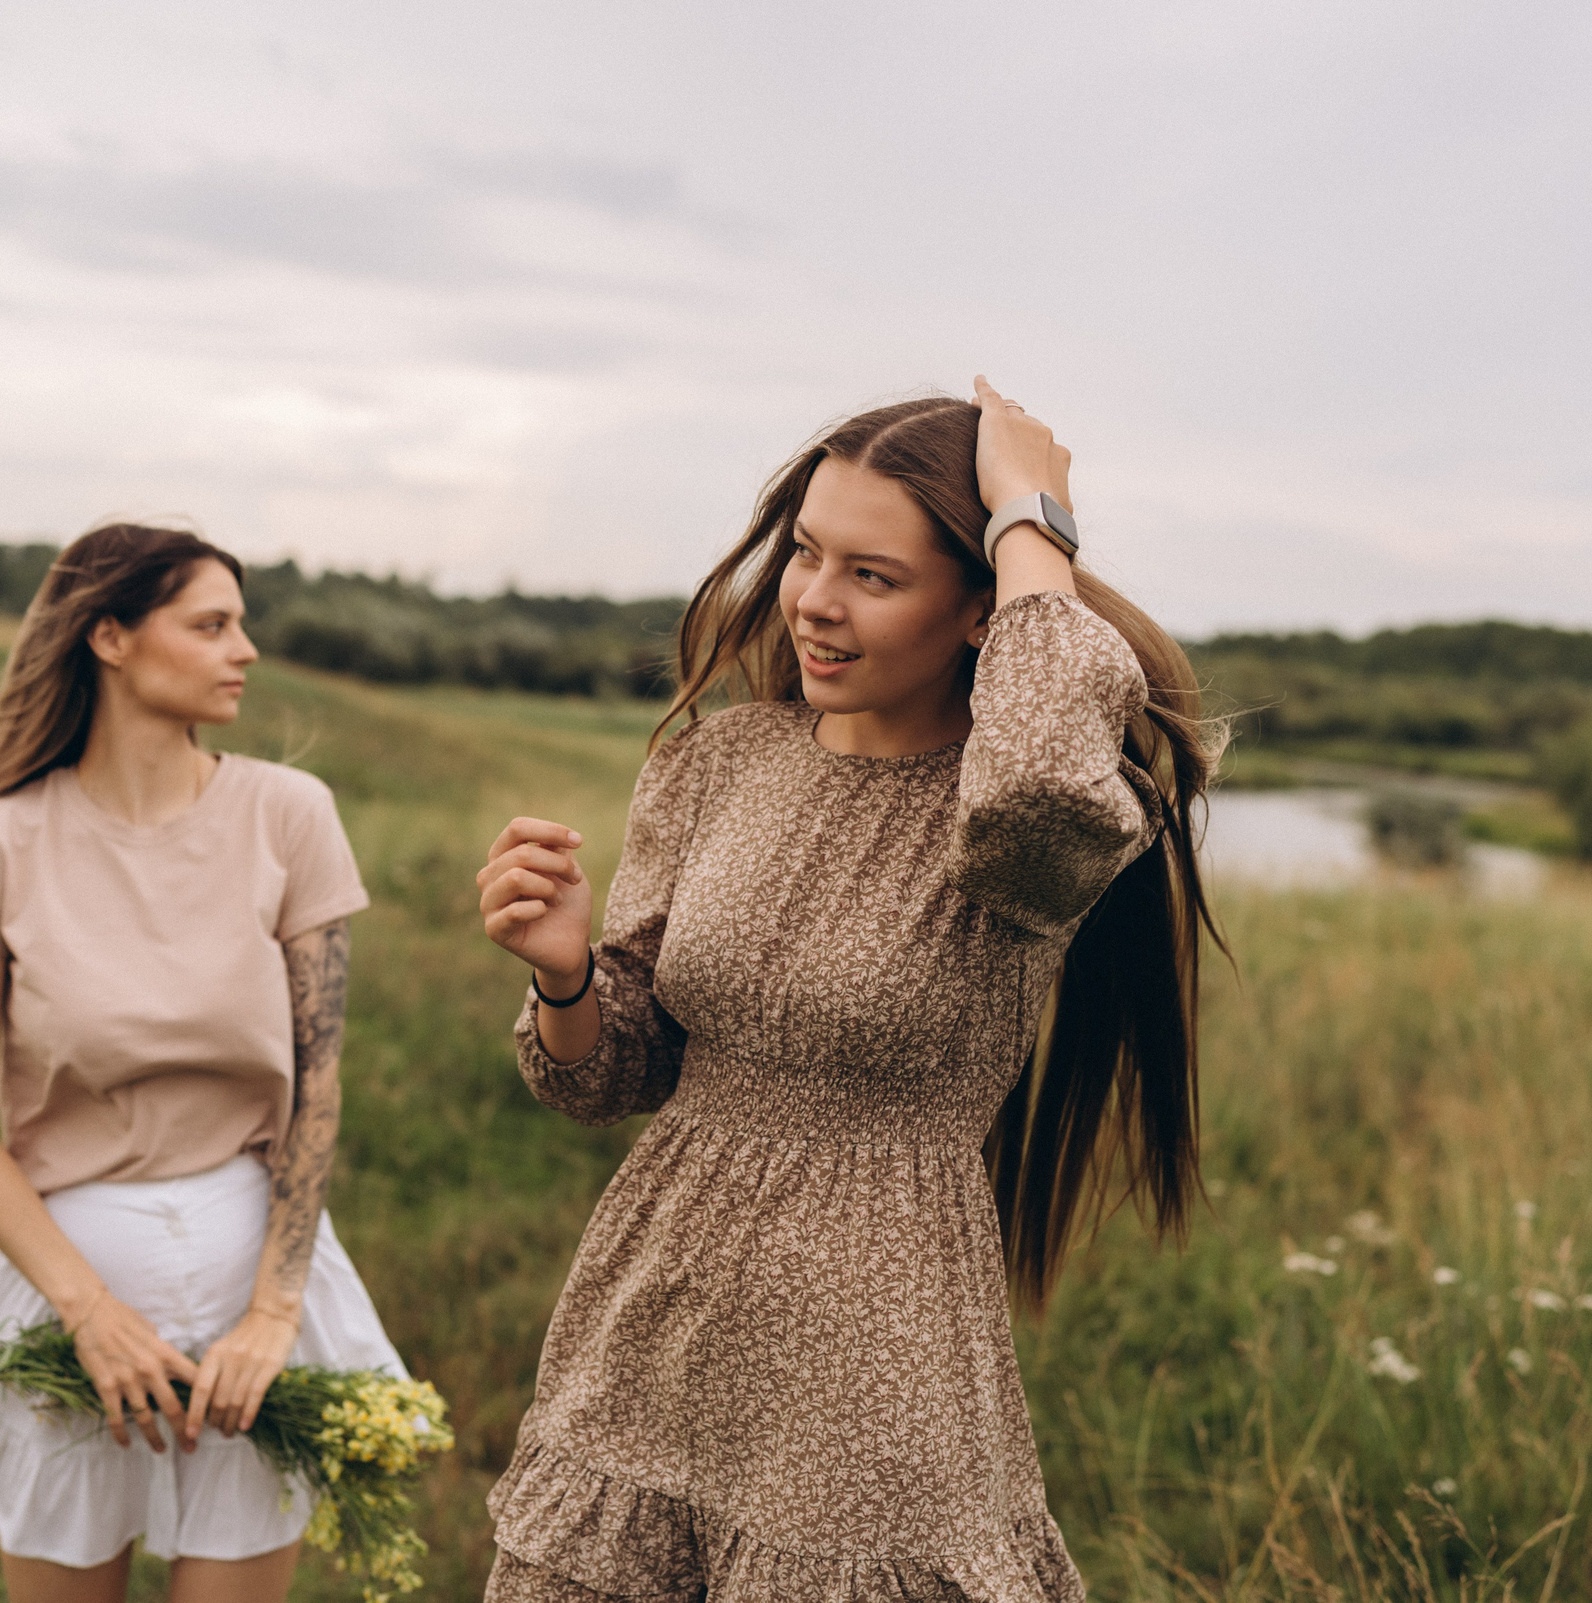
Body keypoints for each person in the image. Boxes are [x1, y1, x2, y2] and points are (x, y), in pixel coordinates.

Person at [473, 379, 1219, 1600]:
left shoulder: (1022, 827)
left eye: (872, 576)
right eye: (808, 554)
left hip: (868, 1376)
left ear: (984, 613)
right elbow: (619, 1076)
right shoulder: (719, 761)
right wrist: (566, 977)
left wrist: (1031, 522)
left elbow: (1036, 772)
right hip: (650, 1325)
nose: (813, 601)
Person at [0, 524, 406, 1603]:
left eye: (241, 624)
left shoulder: (289, 815)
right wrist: (88, 1312)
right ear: (111, 637)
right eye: (212, 624)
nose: (245, 650)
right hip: (70, 1295)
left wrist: (272, 1313)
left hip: (248, 1288)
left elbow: (319, 1090)